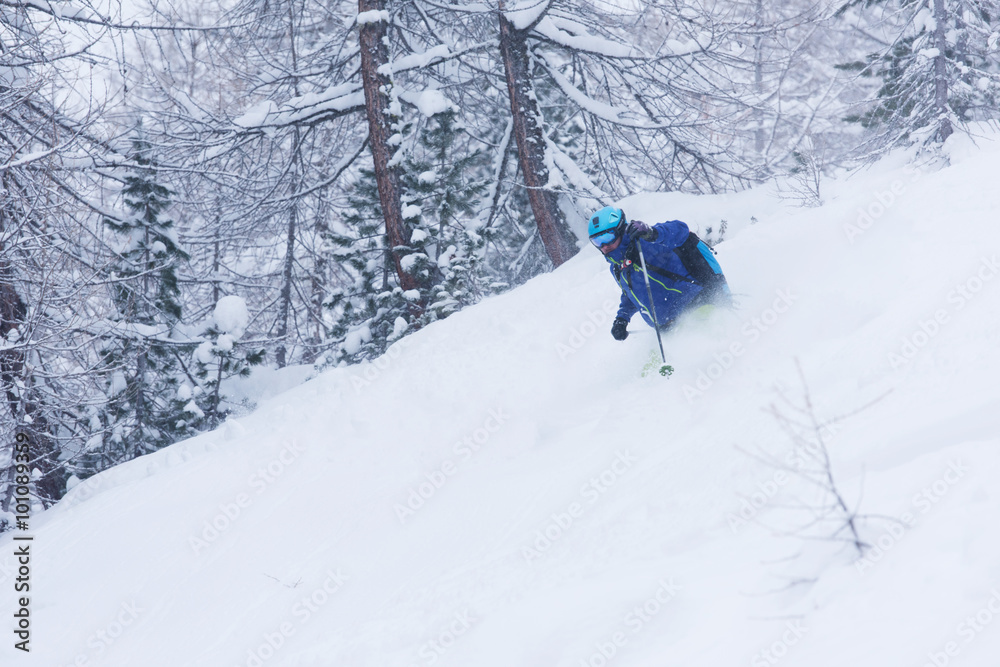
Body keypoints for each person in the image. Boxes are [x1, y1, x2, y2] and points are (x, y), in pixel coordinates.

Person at [588, 206, 731, 341]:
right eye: (597, 241)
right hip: (669, 329)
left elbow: (680, 229)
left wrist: (652, 233)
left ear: (621, 230)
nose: (604, 246)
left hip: (700, 307)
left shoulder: (647, 242)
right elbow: (631, 293)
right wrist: (622, 318)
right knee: (650, 367)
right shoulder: (617, 268)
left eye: (607, 237)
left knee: (700, 354)